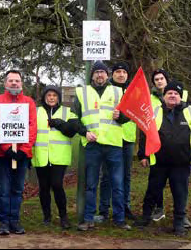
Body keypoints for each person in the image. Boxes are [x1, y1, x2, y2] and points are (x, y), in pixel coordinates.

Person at [135, 81, 191, 236]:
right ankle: (145, 217)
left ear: (180, 97)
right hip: (159, 162)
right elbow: (145, 134)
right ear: (164, 96)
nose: (172, 95)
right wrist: (143, 155)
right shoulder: (154, 112)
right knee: (152, 191)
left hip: (181, 163)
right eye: (169, 93)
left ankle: (179, 223)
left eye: (176, 94)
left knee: (180, 193)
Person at [71, 61, 131, 231]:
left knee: (117, 184)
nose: (99, 75)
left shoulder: (118, 91)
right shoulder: (82, 92)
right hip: (93, 144)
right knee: (91, 184)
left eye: (102, 72)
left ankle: (119, 220)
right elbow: (74, 118)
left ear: (107, 75)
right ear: (92, 75)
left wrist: (121, 116)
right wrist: (84, 132)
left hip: (113, 144)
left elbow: (128, 117)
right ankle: (88, 218)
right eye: (96, 72)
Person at [0, 70, 37, 236]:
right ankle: (3, 222)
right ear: (5, 83)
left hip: (22, 155)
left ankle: (14, 220)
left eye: (17, 81)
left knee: (17, 189)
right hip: (4, 155)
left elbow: (32, 127)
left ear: (21, 83)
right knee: (4, 190)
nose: (14, 83)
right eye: (11, 81)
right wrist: (7, 148)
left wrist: (24, 150)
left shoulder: (29, 102)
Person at [32, 86, 77, 230]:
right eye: (49, 95)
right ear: (44, 97)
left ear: (58, 98)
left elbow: (72, 131)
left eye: (54, 95)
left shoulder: (67, 111)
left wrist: (60, 124)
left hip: (59, 156)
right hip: (41, 155)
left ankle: (64, 217)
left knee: (57, 185)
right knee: (43, 187)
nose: (51, 98)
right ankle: (47, 216)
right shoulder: (36, 111)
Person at [96, 62, 137, 222]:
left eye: (124, 72)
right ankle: (104, 210)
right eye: (118, 72)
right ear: (112, 74)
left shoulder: (133, 91)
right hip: (110, 138)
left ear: (128, 75)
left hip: (127, 138)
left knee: (125, 176)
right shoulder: (106, 90)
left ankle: (125, 208)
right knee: (106, 176)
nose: (121, 74)